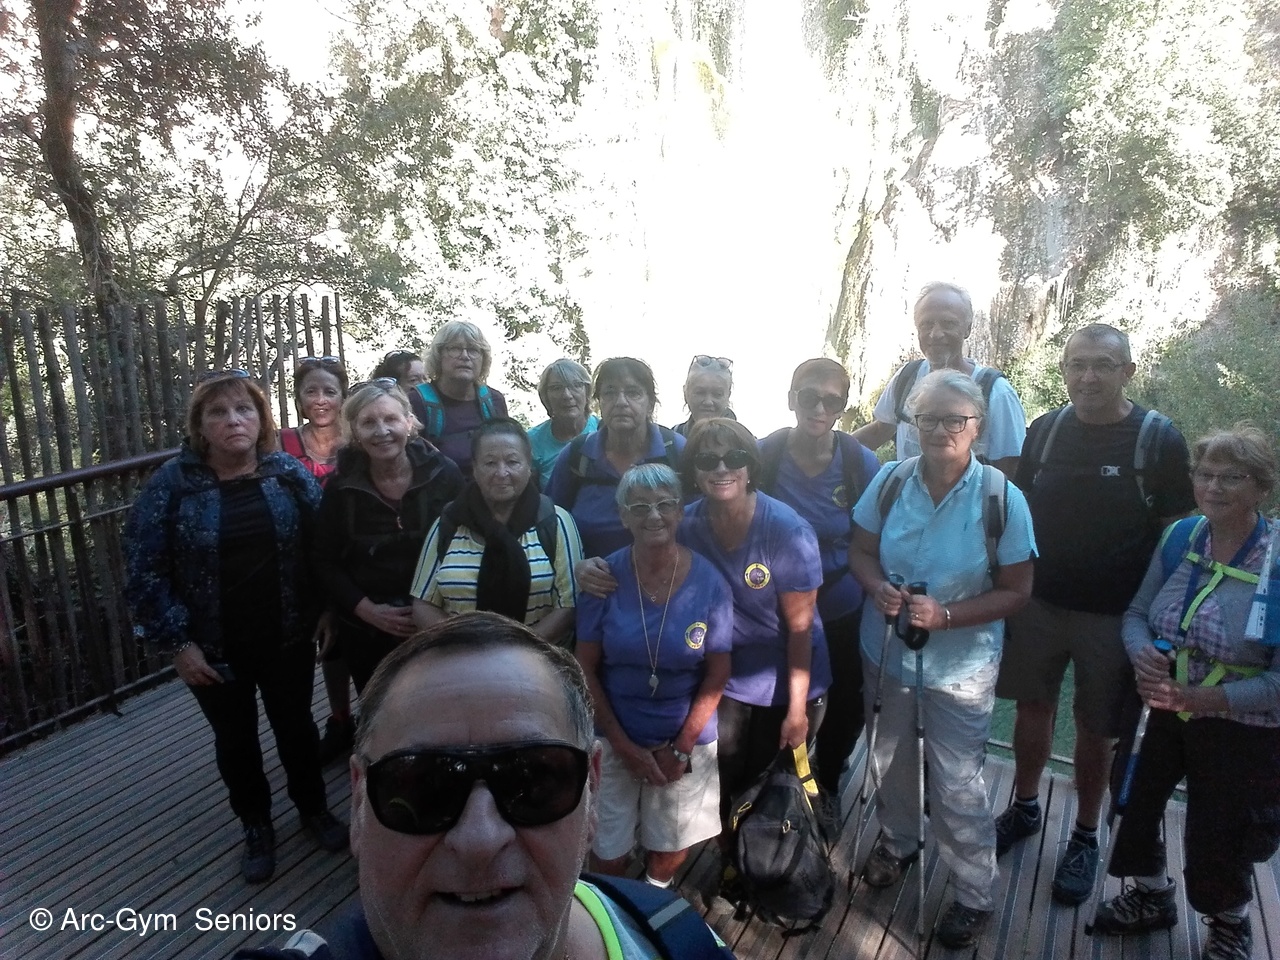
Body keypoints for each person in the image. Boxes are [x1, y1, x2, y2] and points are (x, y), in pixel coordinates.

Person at [233, 612, 736, 960]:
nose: (479, 840)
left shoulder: (680, 938)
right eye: (422, 785)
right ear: (359, 802)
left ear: (593, 790)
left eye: (533, 779)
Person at [993, 324, 1195, 906]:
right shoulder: (1046, 430)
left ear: (1128, 371)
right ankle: (1025, 806)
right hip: (1039, 602)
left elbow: (1177, 535)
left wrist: (1163, 619)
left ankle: (1084, 834)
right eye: (1077, 364)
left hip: (1114, 615)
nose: (1088, 377)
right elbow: (1015, 509)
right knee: (1032, 707)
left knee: (1097, 727)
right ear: (1063, 370)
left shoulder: (1158, 440)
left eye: (1103, 364)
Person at [125, 370, 347, 885]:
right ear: (200, 425)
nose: (234, 421)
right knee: (235, 739)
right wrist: (178, 644)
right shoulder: (173, 484)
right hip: (211, 646)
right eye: (219, 413)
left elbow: (322, 547)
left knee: (296, 728)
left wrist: (328, 608)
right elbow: (143, 569)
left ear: (261, 419)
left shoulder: (284, 472)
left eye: (244, 410)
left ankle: (313, 809)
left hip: (286, 634)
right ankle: (256, 826)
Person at [848, 369, 1035, 948]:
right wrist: (876, 587)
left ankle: (975, 891)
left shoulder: (1001, 498)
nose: (939, 430)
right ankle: (899, 841)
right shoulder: (890, 480)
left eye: (955, 419)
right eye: (927, 418)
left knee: (957, 782)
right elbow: (861, 551)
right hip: (886, 652)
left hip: (960, 668)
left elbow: (1018, 590)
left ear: (978, 427)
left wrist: (947, 615)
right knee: (888, 759)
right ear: (913, 423)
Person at [1093, 425, 1280, 960]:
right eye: (1205, 474)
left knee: (1221, 828)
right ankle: (1152, 894)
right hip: (1158, 704)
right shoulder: (1182, 537)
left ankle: (1229, 921)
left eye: (1231, 477)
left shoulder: (1276, 560)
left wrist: (1201, 700)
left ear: (1261, 487)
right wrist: (1141, 654)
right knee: (1132, 799)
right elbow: (1137, 614)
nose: (1213, 487)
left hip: (1239, 723)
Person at [576, 464, 733, 887]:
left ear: (681, 511)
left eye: (665, 504)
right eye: (639, 507)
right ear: (623, 516)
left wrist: (681, 749)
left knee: (671, 846)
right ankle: (618, 904)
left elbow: (718, 672)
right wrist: (623, 746)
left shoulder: (710, 583)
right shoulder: (603, 579)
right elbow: (584, 665)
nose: (654, 515)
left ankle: (653, 893)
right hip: (613, 733)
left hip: (685, 736)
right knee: (607, 850)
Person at [756, 358, 881, 796]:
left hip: (839, 602)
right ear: (792, 399)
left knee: (845, 698)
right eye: (809, 397)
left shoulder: (858, 462)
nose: (819, 408)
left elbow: (875, 534)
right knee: (773, 691)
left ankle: (826, 781)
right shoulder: (765, 455)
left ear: (844, 407)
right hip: (774, 604)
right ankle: (771, 785)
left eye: (833, 401)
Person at [314, 380, 463, 694]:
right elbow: (325, 560)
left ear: (408, 423)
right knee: (380, 708)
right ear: (355, 431)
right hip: (367, 630)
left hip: (440, 621)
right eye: (369, 422)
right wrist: (368, 610)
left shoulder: (443, 474)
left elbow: (469, 544)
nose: (381, 431)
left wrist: (434, 614)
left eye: (391, 419)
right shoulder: (341, 489)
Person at [410, 419, 583, 646]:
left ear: (529, 466)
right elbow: (423, 604)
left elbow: (568, 606)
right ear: (474, 468)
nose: (502, 473)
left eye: (512, 462)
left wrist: (516, 650)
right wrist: (467, 648)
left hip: (536, 656)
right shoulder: (449, 522)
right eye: (490, 463)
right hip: (461, 654)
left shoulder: (555, 521)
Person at [852, 282, 1026, 478]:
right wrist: (833, 450)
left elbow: (1010, 467)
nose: (935, 334)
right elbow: (880, 430)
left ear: (968, 329)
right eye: (926, 324)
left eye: (948, 323)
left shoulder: (996, 393)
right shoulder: (906, 378)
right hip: (907, 495)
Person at [280, 356, 357, 765]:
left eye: (330, 391)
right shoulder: (281, 443)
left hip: (354, 555)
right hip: (302, 560)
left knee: (357, 637)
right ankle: (340, 718)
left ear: (343, 396)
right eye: (311, 391)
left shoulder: (358, 440)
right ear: (299, 398)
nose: (321, 399)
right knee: (328, 643)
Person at [546, 357, 684, 559]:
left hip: (669, 574)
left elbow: (700, 520)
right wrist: (577, 566)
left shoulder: (675, 450)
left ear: (650, 404)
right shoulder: (577, 456)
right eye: (610, 393)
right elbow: (552, 522)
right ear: (599, 402)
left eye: (633, 393)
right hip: (592, 575)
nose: (621, 402)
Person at [408, 321, 508, 476]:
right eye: (455, 348)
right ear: (438, 356)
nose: (465, 356)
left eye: (473, 350)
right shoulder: (416, 401)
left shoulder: (494, 401)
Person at [527, 359, 599, 486]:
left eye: (576, 385)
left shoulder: (604, 431)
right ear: (545, 396)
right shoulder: (532, 441)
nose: (567, 395)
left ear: (587, 391)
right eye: (556, 388)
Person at [671, 355, 737, 437]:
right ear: (685, 393)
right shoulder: (671, 440)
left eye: (717, 394)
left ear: (728, 396)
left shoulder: (743, 441)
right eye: (700, 393)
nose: (708, 402)